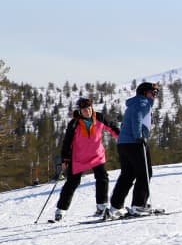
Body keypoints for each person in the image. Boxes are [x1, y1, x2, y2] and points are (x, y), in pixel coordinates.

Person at [52, 98, 120, 222]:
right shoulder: (74, 123)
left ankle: (102, 206)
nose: (88, 111)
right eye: (84, 110)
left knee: (102, 177)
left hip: (96, 155)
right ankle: (60, 211)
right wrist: (65, 159)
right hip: (79, 158)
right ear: (80, 111)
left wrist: (122, 138)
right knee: (72, 183)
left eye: (89, 108)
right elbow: (67, 142)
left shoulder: (99, 117)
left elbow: (112, 128)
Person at [111, 82, 159, 216]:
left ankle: (115, 206)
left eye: (156, 93)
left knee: (127, 175)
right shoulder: (143, 103)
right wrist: (139, 136)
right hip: (135, 142)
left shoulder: (136, 102)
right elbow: (137, 118)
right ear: (145, 92)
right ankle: (139, 205)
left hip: (124, 143)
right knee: (144, 173)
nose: (155, 95)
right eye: (153, 92)